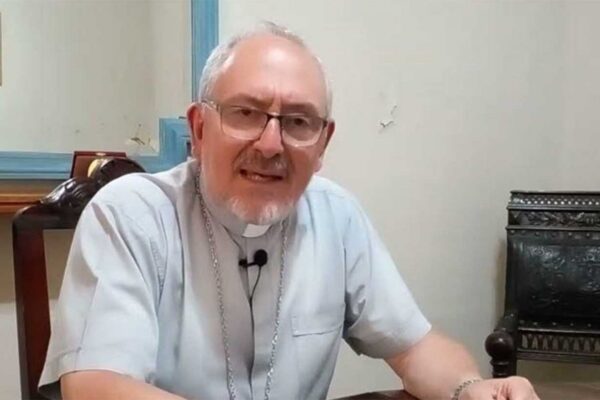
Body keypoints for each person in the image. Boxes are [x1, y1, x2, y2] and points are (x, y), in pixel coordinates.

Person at [39, 22, 539, 400]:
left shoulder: (337, 216)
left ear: (323, 144)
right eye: (246, 113)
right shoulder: (132, 214)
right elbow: (96, 384)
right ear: (199, 129)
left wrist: (471, 388)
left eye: (299, 122)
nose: (271, 144)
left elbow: (415, 347)